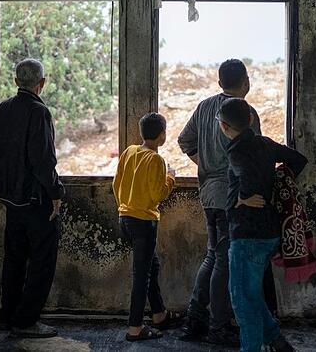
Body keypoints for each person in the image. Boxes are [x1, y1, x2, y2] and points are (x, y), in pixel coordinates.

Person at [178, 59, 267, 344]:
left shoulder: (205, 106)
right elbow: (254, 158)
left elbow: (184, 140)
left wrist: (202, 164)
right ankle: (217, 328)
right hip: (233, 198)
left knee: (213, 256)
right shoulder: (247, 113)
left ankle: (194, 319)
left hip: (208, 193)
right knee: (223, 263)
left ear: (219, 83)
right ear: (246, 81)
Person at [218, 97, 306, 352]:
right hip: (269, 232)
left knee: (243, 302)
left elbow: (245, 175)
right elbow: (298, 160)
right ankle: (276, 340)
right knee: (252, 294)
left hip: (246, 234)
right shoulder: (265, 143)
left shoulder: (235, 150)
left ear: (224, 127)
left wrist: (243, 196)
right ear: (251, 120)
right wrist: (277, 183)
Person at [0, 59, 64, 339]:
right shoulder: (39, 112)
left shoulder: (2, 110)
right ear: (41, 83)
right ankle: (27, 321)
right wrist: (55, 193)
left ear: (16, 81)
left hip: (11, 199)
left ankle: (7, 317)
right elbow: (43, 160)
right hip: (35, 201)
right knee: (42, 262)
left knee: (14, 259)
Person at [112, 113, 184, 341]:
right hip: (144, 222)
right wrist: (170, 178)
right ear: (162, 136)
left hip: (125, 218)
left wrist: (126, 206)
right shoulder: (155, 160)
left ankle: (160, 315)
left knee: (151, 266)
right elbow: (158, 194)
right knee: (141, 275)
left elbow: (116, 183)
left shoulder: (130, 152)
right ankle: (135, 328)